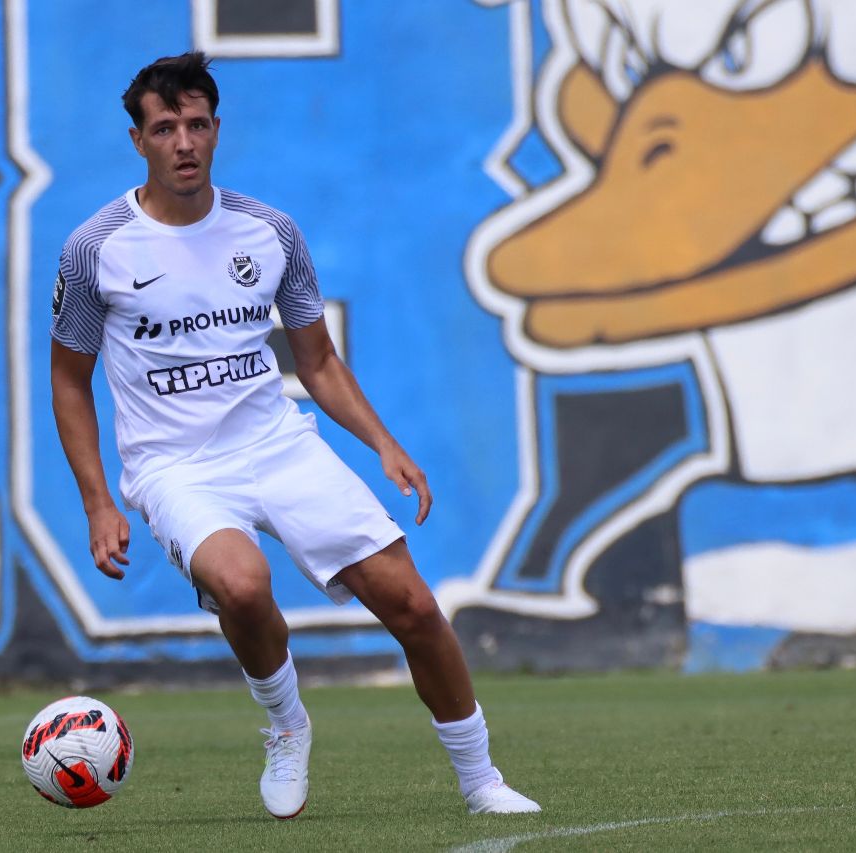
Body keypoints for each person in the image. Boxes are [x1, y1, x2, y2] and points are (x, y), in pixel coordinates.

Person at [49, 51, 539, 820]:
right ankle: (286, 722)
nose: (184, 142)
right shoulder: (95, 247)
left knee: (412, 604)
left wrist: (383, 442)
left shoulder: (270, 232)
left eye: (197, 124)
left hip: (278, 445)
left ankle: (482, 782)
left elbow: (318, 362)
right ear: (138, 140)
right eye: (165, 128)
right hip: (175, 466)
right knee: (242, 584)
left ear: (217, 129)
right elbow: (69, 379)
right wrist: (97, 502)